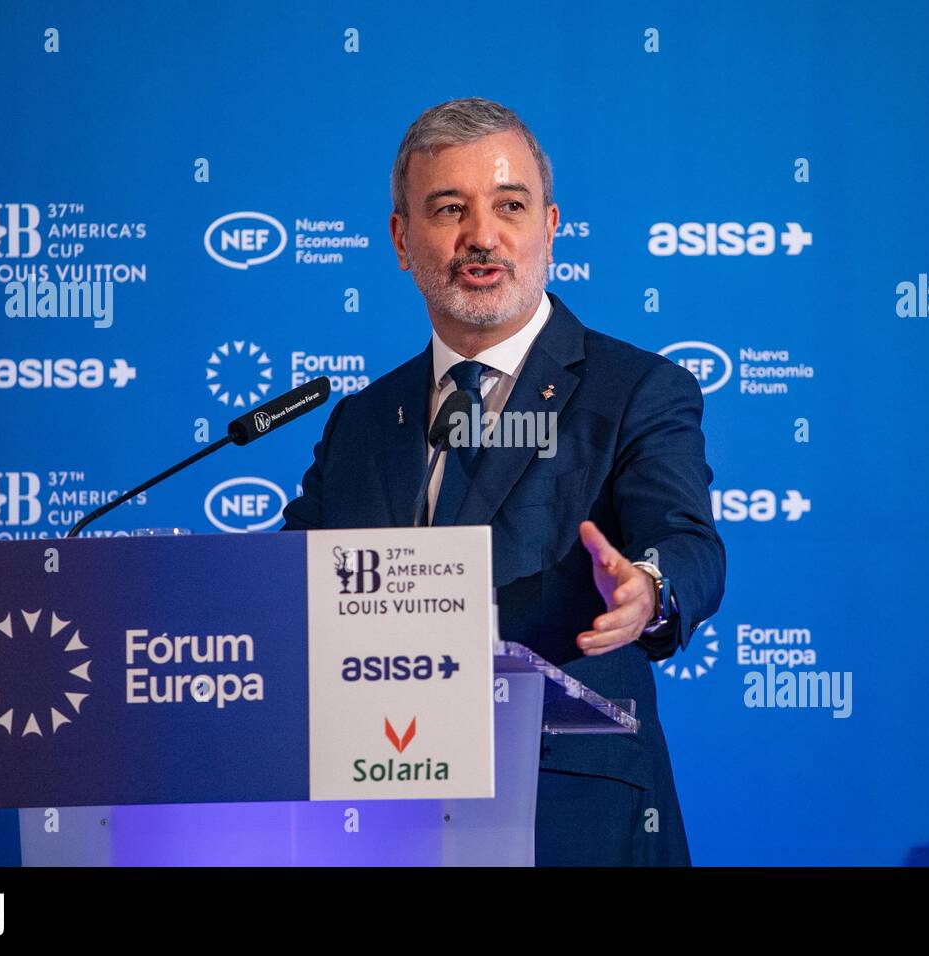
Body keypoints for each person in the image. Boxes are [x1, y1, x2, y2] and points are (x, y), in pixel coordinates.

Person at [281, 97, 725, 865]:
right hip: (376, 811)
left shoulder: (634, 390)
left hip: (566, 809)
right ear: (400, 239)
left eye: (509, 205)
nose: (480, 236)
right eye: (449, 208)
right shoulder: (360, 421)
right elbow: (286, 586)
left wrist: (648, 588)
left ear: (550, 227)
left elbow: (687, 541)